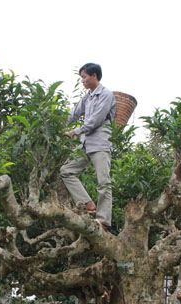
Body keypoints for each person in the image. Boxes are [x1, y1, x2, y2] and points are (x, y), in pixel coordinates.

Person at [60, 63, 116, 231]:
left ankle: (104, 220)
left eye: (84, 77)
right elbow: (75, 113)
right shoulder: (87, 97)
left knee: (103, 182)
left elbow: (96, 120)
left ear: (94, 76)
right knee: (66, 171)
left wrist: (74, 131)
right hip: (85, 144)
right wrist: (58, 125)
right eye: (81, 78)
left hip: (100, 144)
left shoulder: (106, 94)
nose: (82, 80)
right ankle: (88, 203)